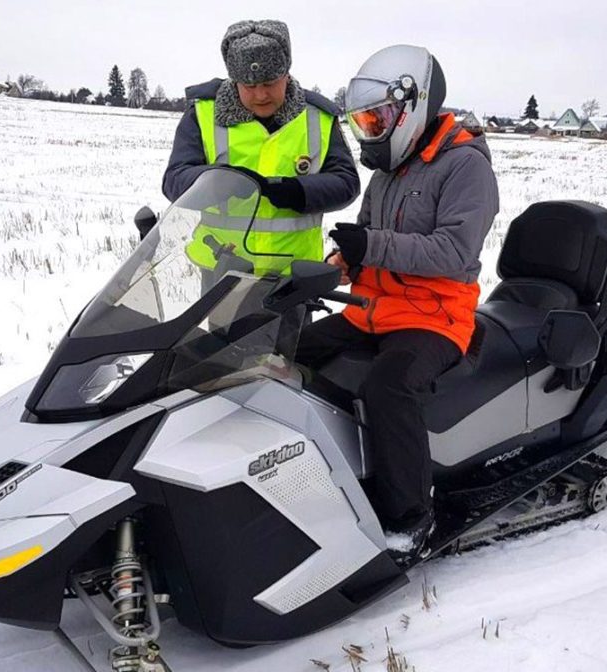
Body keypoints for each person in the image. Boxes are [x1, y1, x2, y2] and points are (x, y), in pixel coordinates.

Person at [296, 45, 500, 563]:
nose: (371, 130)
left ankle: (411, 518)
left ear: (413, 107)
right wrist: (343, 261)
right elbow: (368, 237)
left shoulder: (465, 167)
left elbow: (453, 252)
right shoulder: (389, 170)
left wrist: (372, 247)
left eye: (378, 119)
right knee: (289, 349)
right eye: (364, 122)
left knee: (388, 386)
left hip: (436, 315)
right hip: (373, 308)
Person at [162, 19, 359, 275]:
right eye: (250, 86)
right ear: (234, 81)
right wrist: (218, 183)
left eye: (269, 83)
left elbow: (346, 183)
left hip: (295, 274)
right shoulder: (201, 114)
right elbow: (174, 180)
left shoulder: (318, 117)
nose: (260, 95)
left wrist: (298, 191)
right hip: (222, 270)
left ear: (286, 74)